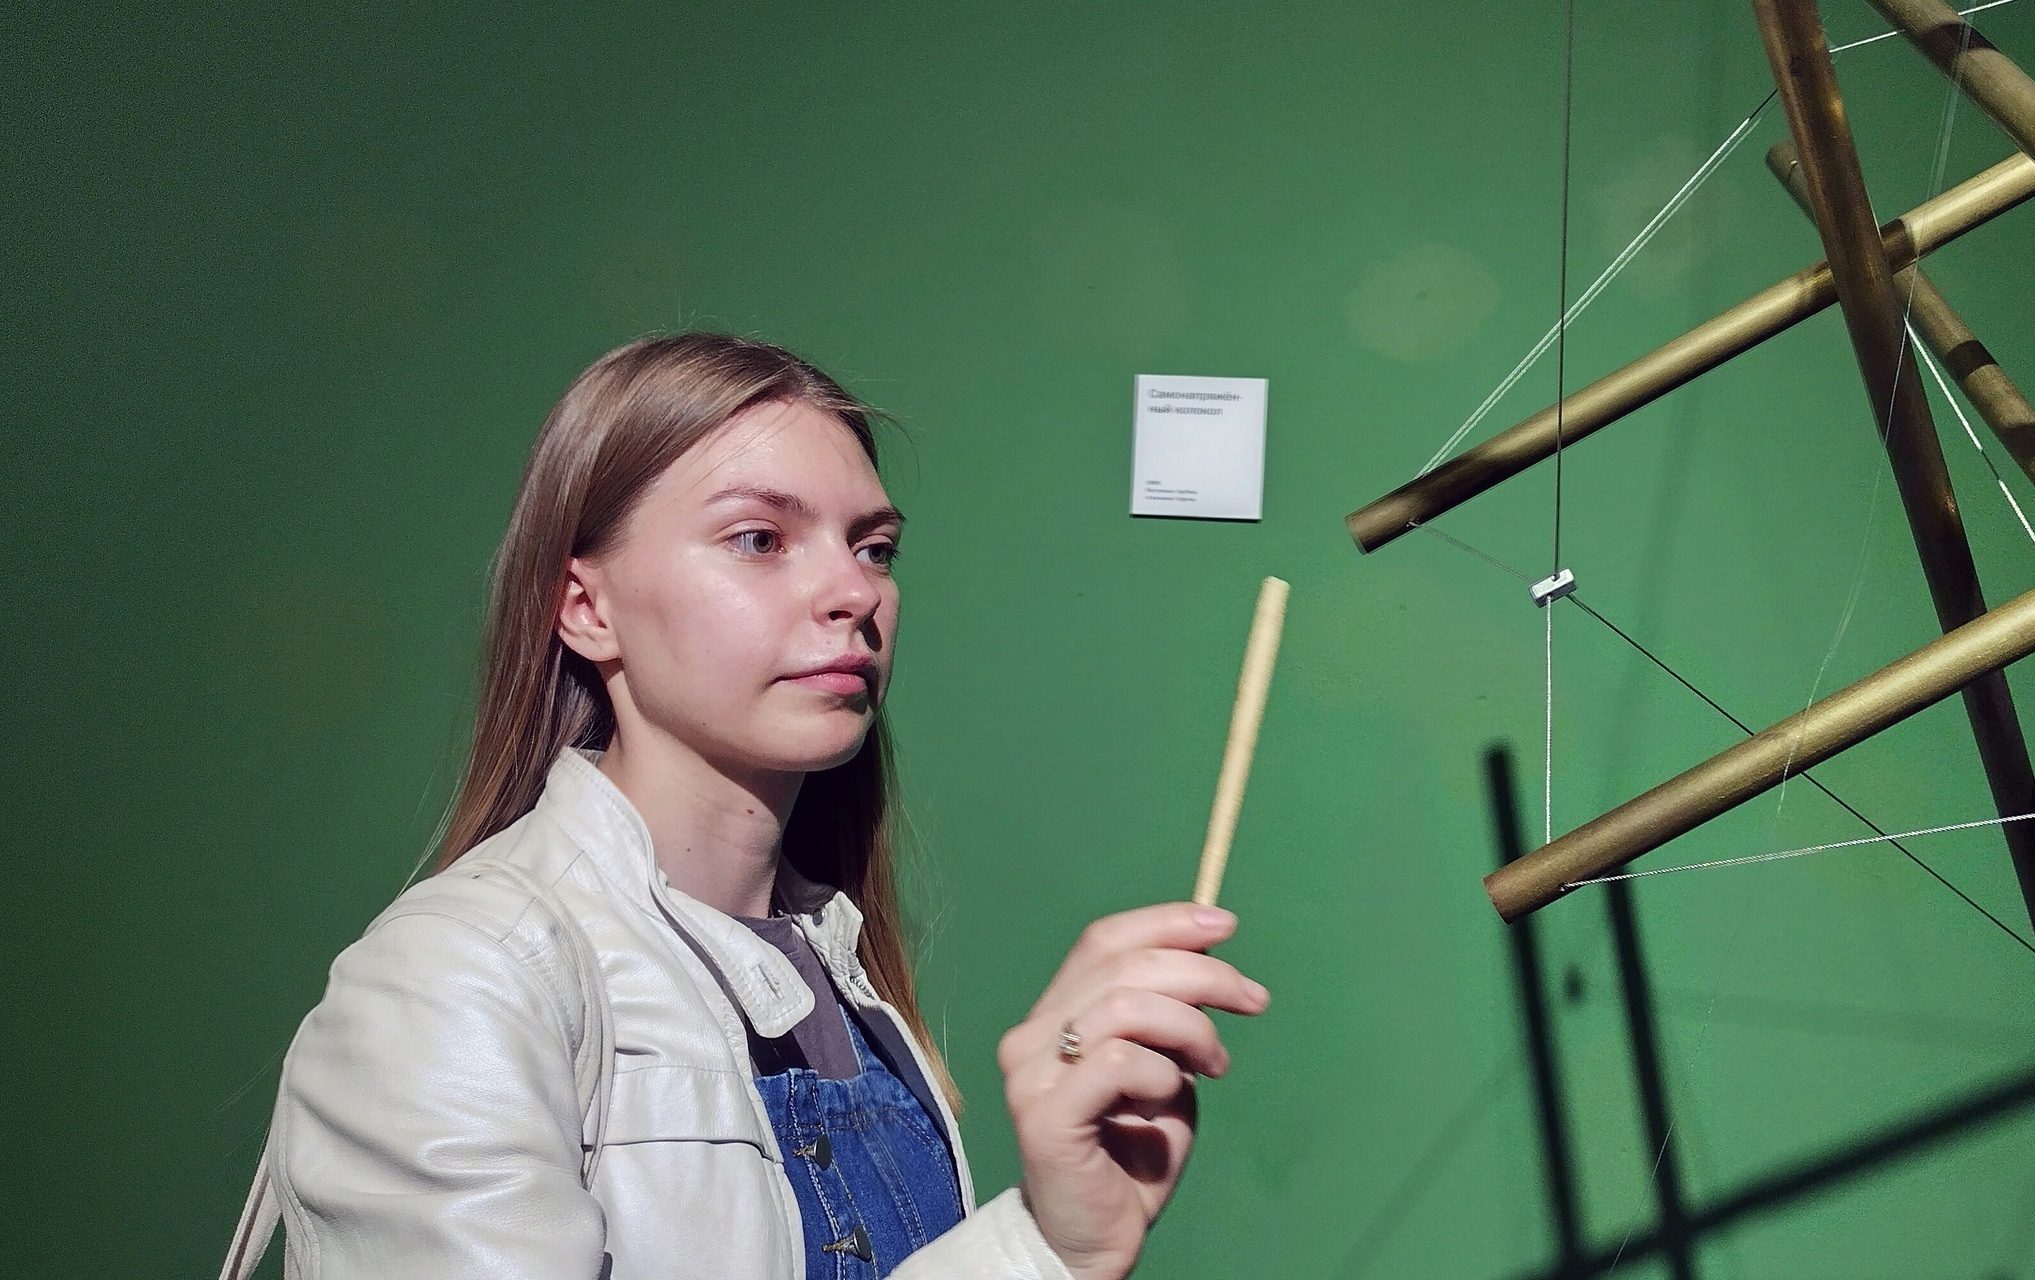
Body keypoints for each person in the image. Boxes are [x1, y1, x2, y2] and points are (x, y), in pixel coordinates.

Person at [222, 333, 1270, 1280]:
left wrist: (1055, 1244)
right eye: (760, 539)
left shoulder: (840, 977)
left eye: (873, 546)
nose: (854, 592)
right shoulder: (461, 978)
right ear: (586, 607)